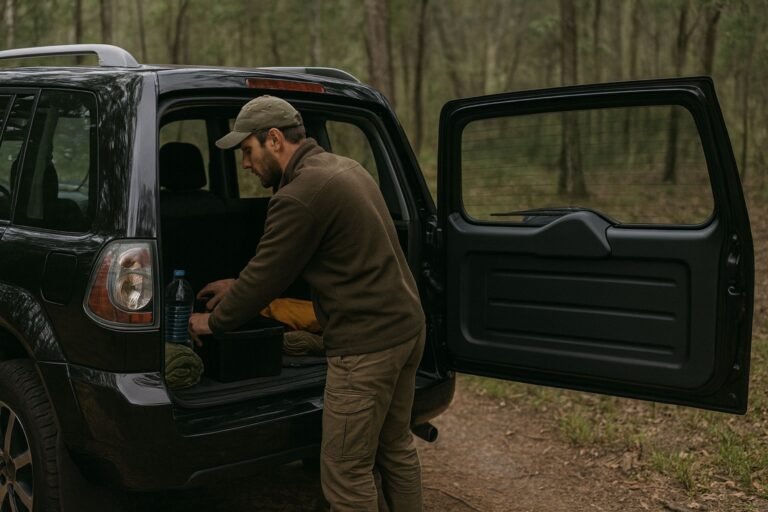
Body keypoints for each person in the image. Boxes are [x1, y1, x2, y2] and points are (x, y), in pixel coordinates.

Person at [188, 95, 426, 511]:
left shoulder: (299, 194)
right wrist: (238, 283)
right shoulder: (343, 168)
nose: (245, 164)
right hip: (405, 329)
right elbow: (294, 261)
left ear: (275, 139)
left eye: (248, 151)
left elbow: (267, 275)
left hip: (365, 347)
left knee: (345, 471)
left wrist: (213, 323)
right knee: (395, 447)